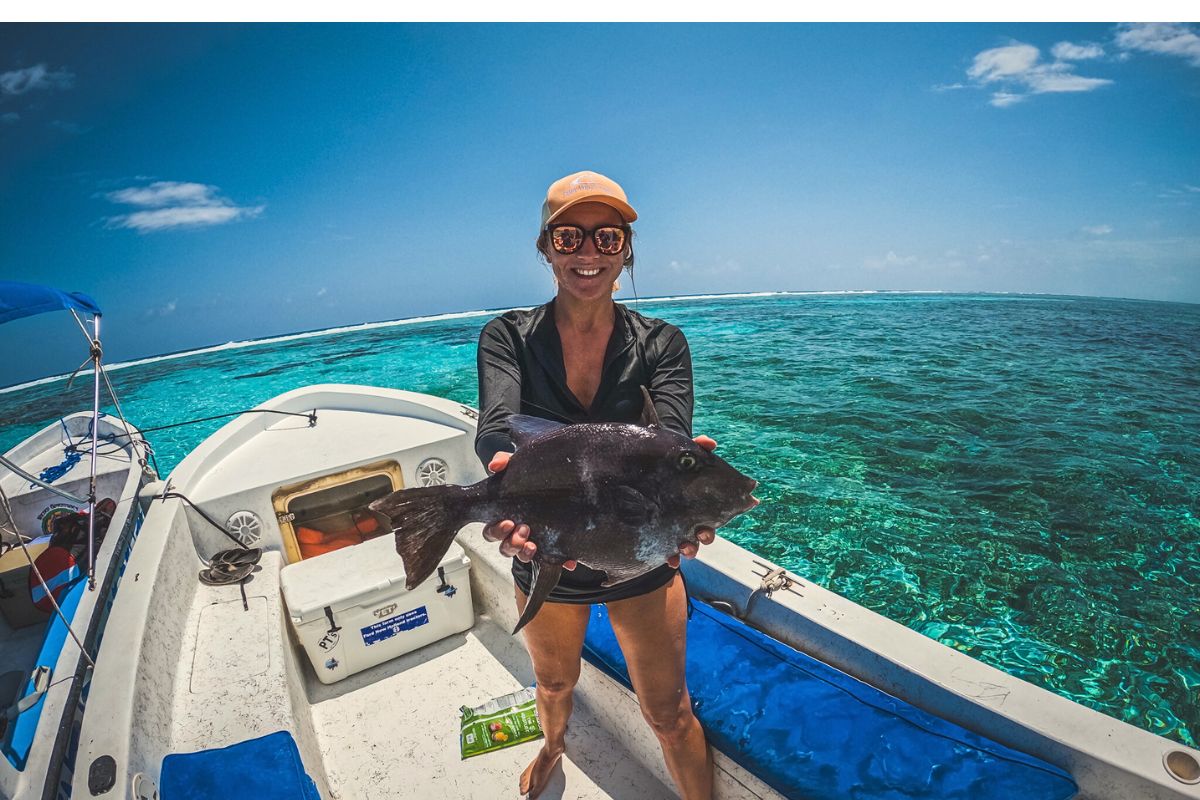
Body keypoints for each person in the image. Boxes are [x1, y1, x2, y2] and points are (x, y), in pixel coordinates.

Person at [474, 170, 718, 800]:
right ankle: (553, 748)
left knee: (669, 713)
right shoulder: (507, 337)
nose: (587, 253)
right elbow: (499, 430)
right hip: (546, 546)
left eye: (606, 238)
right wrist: (504, 485)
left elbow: (670, 447)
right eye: (568, 236)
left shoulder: (663, 343)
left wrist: (689, 487)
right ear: (545, 246)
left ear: (626, 250)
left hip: (636, 553)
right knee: (554, 685)